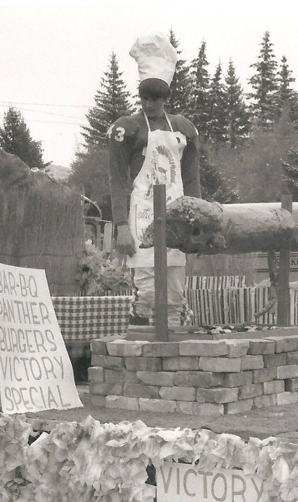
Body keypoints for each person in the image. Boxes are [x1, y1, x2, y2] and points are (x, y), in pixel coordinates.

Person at [108, 34, 201, 326]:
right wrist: (121, 226)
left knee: (175, 294)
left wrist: (197, 225)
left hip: (176, 218)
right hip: (141, 216)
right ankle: (140, 354)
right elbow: (118, 180)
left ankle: (176, 355)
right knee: (146, 293)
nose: (150, 103)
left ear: (166, 98)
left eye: (156, 98)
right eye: (145, 97)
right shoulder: (127, 128)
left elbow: (191, 179)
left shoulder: (184, 128)